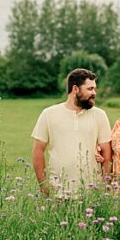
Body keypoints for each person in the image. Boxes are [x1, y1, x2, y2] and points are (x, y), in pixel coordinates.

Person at [31, 68, 112, 198]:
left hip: (91, 192)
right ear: (75, 89)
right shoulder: (49, 114)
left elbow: (107, 153)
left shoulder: (100, 115)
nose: (94, 93)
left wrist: (105, 185)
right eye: (90, 89)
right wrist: (44, 185)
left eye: (94, 89)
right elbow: (37, 150)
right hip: (58, 192)